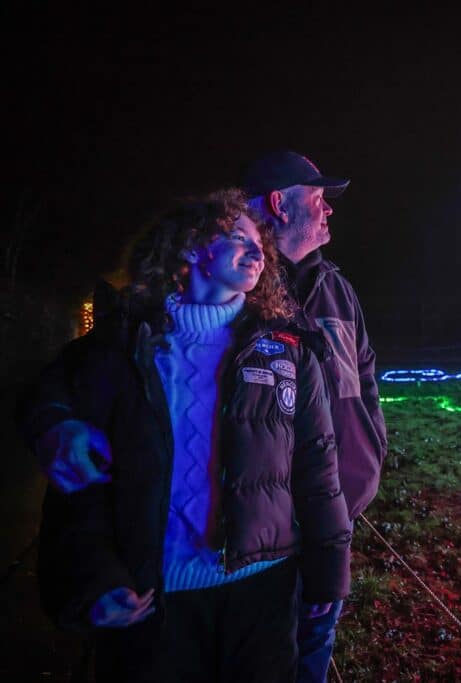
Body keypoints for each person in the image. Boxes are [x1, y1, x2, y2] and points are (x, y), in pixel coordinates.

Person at [19, 189, 352, 681]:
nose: (259, 250)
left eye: (260, 241)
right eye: (239, 237)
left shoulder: (286, 347)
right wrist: (94, 581)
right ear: (193, 246)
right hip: (157, 600)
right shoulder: (125, 343)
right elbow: (79, 484)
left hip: (262, 594)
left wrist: (329, 575)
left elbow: (317, 465)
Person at [243, 151, 387, 683]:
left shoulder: (337, 291)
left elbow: (364, 380)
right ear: (280, 204)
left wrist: (365, 460)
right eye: (318, 199)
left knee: (313, 650)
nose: (329, 212)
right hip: (259, 532)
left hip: (333, 515)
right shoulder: (233, 284)